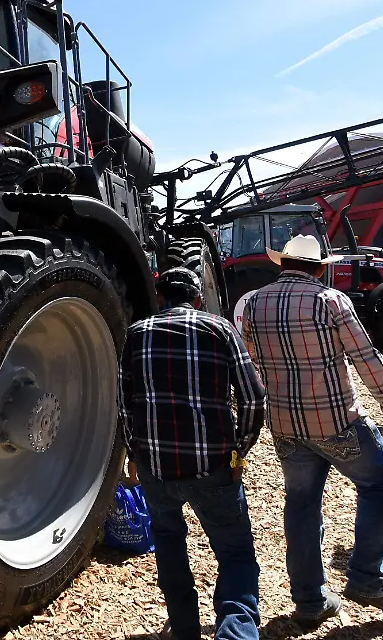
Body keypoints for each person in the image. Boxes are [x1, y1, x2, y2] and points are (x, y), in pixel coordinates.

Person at [242, 235, 383, 630]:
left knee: (301, 506)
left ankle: (309, 600)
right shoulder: (331, 301)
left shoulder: (253, 303)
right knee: (376, 485)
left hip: (285, 425)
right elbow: (366, 359)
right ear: (320, 267)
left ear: (282, 264)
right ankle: (367, 579)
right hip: (336, 421)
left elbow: (254, 360)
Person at [118, 267, 266, 640]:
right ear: (198, 298)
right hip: (213, 465)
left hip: (157, 468)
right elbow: (253, 397)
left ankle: (184, 629)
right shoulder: (219, 329)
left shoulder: (136, 334)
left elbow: (125, 405)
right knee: (234, 552)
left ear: (161, 298)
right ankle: (235, 631)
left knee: (168, 543)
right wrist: (239, 451)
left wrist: (135, 453)